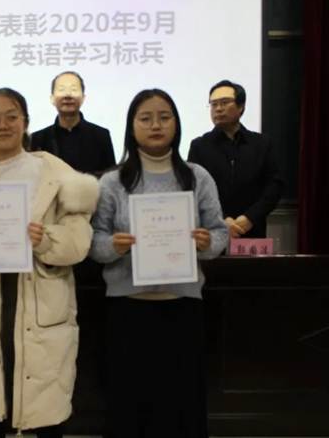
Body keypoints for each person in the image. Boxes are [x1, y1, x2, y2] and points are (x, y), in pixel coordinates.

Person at [0, 88, 99, 438]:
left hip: (41, 300)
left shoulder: (55, 174)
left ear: (26, 122)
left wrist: (44, 239)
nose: (3, 125)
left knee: (45, 409)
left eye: (11, 116)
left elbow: (78, 242)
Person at [90, 89, 228, 438]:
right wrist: (113, 246)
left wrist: (207, 243)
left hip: (182, 307)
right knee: (130, 403)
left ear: (176, 124)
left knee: (181, 403)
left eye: (165, 117)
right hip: (128, 309)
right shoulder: (112, 181)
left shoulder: (197, 176)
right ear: (131, 126)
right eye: (146, 118)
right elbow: (94, 242)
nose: (156, 125)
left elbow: (219, 233)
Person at [188, 79, 283, 239]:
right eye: (213, 104)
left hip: (252, 231)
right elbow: (195, 188)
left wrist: (250, 217)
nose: (218, 108)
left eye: (224, 102)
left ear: (241, 107)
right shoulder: (199, 146)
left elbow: (274, 186)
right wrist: (222, 219)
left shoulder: (262, 144)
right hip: (213, 232)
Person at [30, 71, 115, 177]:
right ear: (52, 99)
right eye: (61, 90)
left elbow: (110, 179)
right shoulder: (38, 139)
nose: (68, 95)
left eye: (74, 90)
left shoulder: (101, 135)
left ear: (83, 98)